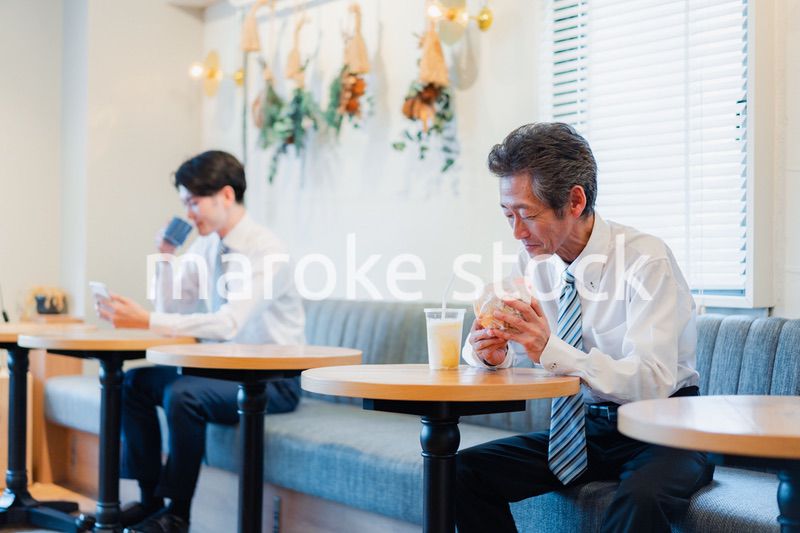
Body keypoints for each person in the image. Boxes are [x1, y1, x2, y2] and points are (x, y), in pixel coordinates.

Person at [456, 123, 713, 533]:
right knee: (461, 472)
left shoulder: (646, 261)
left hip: (668, 427)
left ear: (575, 201)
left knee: (639, 500)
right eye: (508, 215)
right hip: (586, 429)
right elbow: (520, 351)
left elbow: (651, 380)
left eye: (528, 215)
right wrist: (490, 353)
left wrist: (551, 350)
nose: (517, 232)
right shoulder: (532, 261)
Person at [96, 150, 305, 533]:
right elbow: (175, 306)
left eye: (193, 202)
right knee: (132, 384)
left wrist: (146, 319)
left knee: (183, 394)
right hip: (225, 372)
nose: (189, 214)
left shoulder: (267, 250)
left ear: (225, 195)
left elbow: (228, 322)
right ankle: (151, 502)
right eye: (184, 203)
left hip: (273, 381)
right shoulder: (208, 245)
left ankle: (177, 514)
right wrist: (165, 256)